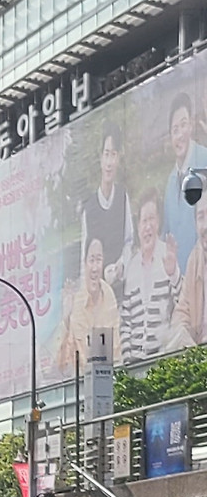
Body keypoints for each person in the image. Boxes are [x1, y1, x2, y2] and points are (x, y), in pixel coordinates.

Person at [120, 190, 181, 364]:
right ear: (138, 227)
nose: (148, 226)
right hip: (135, 363)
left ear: (158, 222)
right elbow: (125, 321)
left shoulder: (167, 255)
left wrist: (173, 274)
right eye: (144, 220)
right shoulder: (132, 267)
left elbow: (182, 304)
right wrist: (127, 361)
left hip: (164, 359)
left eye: (151, 219)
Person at [59, 234, 120, 375]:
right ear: (85, 262)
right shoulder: (75, 300)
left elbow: (116, 348)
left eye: (98, 260)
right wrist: (67, 321)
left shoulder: (109, 295)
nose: (95, 268)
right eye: (91, 260)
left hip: (108, 377)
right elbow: (62, 365)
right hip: (82, 380)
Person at [80, 122, 134, 278]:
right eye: (106, 154)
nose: (109, 162)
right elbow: (83, 262)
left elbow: (129, 241)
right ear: (100, 158)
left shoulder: (122, 197)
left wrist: (122, 264)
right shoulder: (89, 209)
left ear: (118, 158)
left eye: (113, 154)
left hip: (122, 283)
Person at [164, 91, 207, 265]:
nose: (180, 134)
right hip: (180, 278)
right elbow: (167, 236)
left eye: (183, 125)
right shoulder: (170, 183)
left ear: (191, 126)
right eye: (175, 130)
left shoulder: (204, 160)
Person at [170, 193, 207, 346]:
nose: (205, 226)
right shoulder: (195, 259)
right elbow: (182, 312)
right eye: (201, 217)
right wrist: (186, 339)